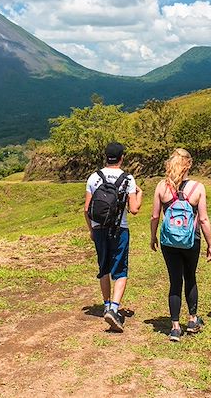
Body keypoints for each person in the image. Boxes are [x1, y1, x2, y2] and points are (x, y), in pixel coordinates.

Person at [150, 148, 211, 342]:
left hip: (169, 241)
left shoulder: (161, 187)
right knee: (190, 277)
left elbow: (154, 216)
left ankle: (175, 327)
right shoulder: (197, 188)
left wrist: (153, 237)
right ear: (188, 165)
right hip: (191, 240)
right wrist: (210, 244)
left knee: (174, 281)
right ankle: (193, 319)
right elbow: (203, 219)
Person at [84, 142, 143, 332]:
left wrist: (92, 230)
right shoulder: (128, 179)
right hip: (119, 229)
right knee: (120, 270)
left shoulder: (94, 177)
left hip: (99, 229)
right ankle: (115, 309)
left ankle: (106, 305)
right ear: (122, 157)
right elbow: (133, 209)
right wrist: (140, 194)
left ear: (105, 157)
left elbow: (86, 209)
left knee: (104, 268)